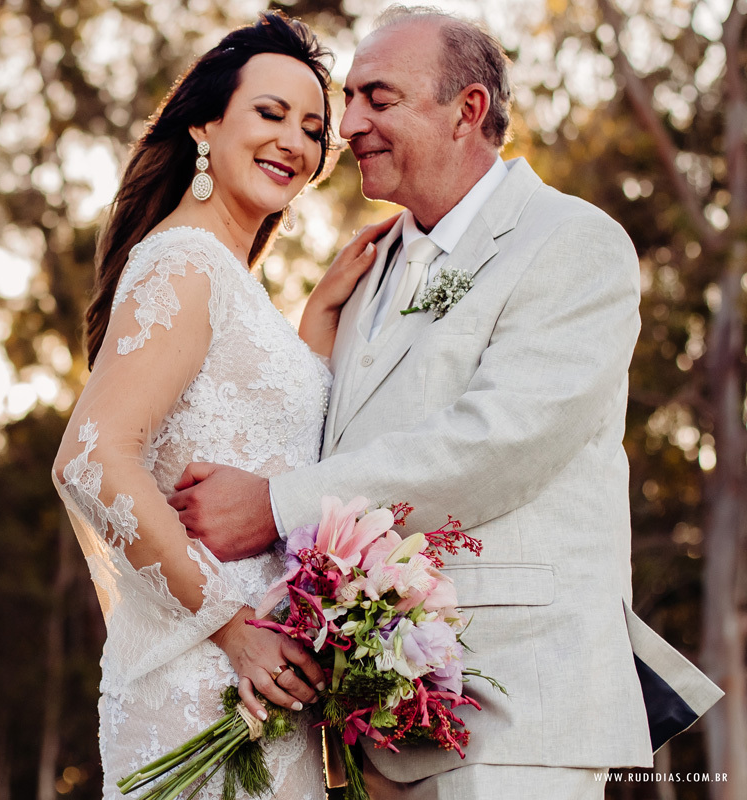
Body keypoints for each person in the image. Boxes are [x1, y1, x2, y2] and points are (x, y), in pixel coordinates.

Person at [169, 6, 723, 799]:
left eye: (378, 99)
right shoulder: (361, 274)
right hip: (371, 721)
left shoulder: (572, 243)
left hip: (514, 708)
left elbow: (500, 440)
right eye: (350, 99)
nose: (348, 124)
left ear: (466, 111)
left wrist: (277, 505)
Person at [52, 12, 393, 799]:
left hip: (265, 690)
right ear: (205, 125)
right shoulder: (182, 264)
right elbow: (90, 460)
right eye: (269, 115)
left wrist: (312, 328)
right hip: (204, 679)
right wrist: (234, 632)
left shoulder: (237, 285)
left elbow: (257, 440)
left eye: (313, 129)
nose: (295, 142)